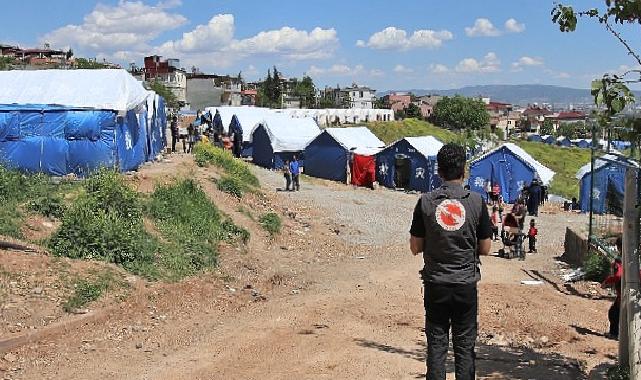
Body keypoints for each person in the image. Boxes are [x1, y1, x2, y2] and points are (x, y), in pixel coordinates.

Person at [409, 143, 492, 380]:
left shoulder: (425, 202)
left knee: (436, 345)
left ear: (439, 171)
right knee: (465, 347)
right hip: (465, 285)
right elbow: (485, 248)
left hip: (436, 284)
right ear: (464, 171)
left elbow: (415, 247)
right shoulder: (476, 201)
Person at [602, 236, 623, 340]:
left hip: (623, 292)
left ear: (618, 248)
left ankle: (614, 334)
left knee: (614, 313)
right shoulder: (635, 258)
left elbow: (618, 276)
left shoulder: (619, 260)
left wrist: (607, 281)